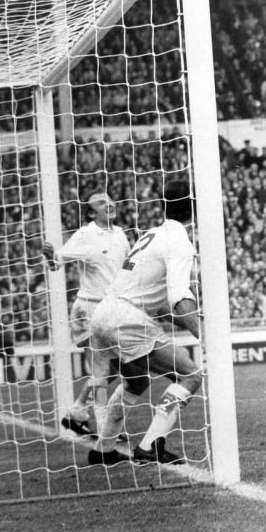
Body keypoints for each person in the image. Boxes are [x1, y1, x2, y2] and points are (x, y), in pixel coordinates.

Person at [87, 179, 202, 466]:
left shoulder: (151, 233)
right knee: (190, 374)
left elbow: (157, 299)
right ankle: (149, 446)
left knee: (136, 380)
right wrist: (205, 332)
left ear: (164, 205)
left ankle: (103, 448)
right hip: (126, 318)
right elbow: (179, 296)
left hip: (103, 312)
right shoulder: (180, 241)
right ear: (194, 207)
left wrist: (181, 320)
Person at [42, 192, 130, 437]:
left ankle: (78, 412)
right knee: (102, 371)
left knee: (112, 371)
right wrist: (51, 256)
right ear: (92, 213)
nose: (110, 203)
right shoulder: (86, 234)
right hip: (89, 308)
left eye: (111, 199)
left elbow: (128, 266)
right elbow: (57, 262)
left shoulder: (121, 234)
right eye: (102, 203)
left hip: (112, 309)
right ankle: (104, 426)